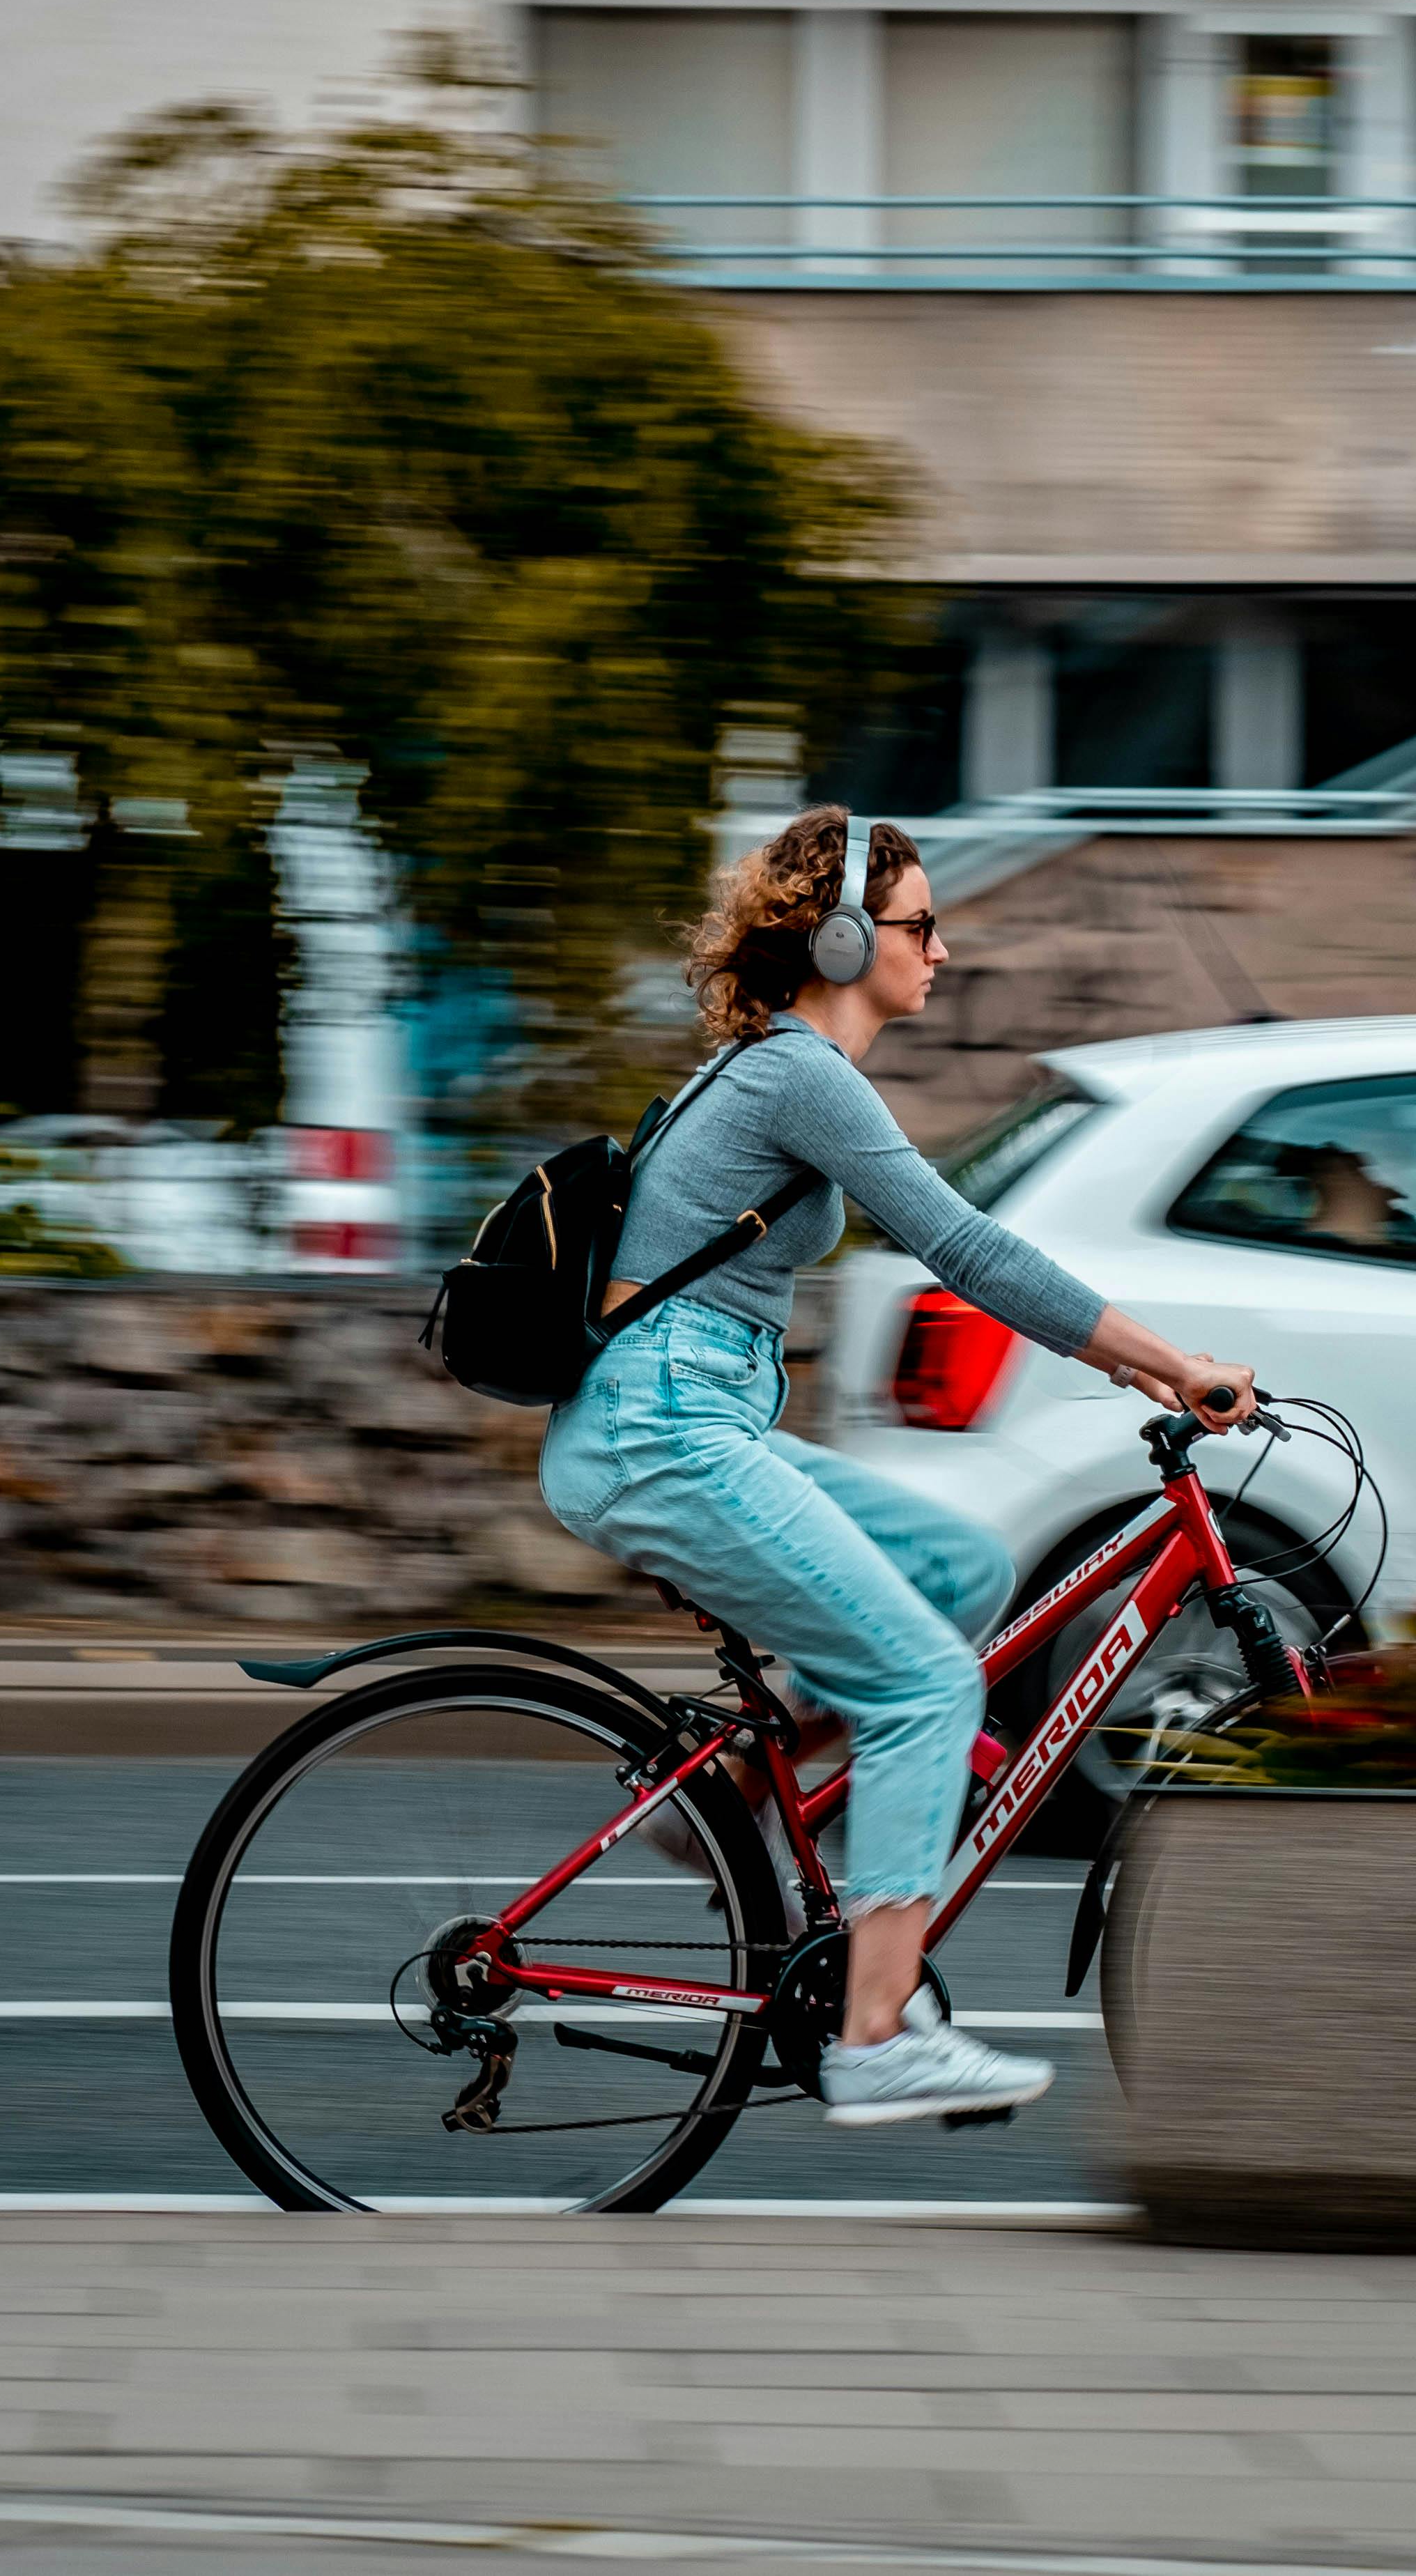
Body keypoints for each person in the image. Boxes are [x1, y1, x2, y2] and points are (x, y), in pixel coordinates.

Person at [538, 808, 1257, 2131]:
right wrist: (1163, 1362)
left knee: (960, 1565)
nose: (943, 947)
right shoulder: (799, 1074)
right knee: (923, 1683)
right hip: (665, 1429)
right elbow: (967, 1249)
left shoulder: (772, 1068)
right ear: (845, 936)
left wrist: (1137, 1363)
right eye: (922, 924)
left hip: (693, 1419)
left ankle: (728, 1795)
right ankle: (876, 2033)